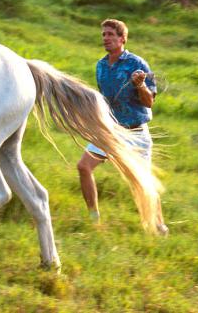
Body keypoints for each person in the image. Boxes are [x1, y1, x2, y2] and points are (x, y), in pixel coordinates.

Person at [76, 18, 168, 234]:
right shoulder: (100, 65)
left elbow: (149, 102)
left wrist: (141, 85)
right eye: (103, 35)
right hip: (109, 130)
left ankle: (159, 226)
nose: (106, 38)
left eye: (110, 34)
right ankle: (94, 219)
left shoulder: (137, 64)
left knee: (142, 183)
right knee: (83, 167)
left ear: (122, 38)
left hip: (135, 132)